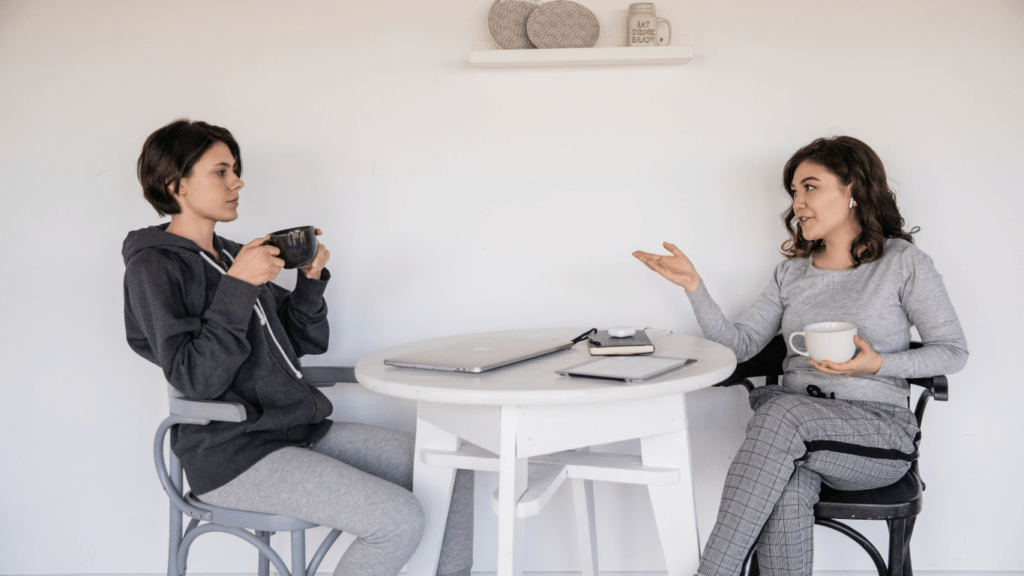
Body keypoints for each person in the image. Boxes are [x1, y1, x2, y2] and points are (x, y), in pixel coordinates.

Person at [123, 119, 473, 576]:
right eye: (221, 172)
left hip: (296, 431)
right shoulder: (154, 267)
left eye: (235, 170)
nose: (237, 182)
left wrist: (308, 283)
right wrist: (237, 287)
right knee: (397, 518)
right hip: (233, 454)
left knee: (455, 470)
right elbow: (194, 378)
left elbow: (301, 341)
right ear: (177, 184)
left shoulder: (233, 254)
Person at [633, 136, 967, 576]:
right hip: (793, 439)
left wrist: (878, 364)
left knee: (780, 415)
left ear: (852, 190)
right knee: (786, 486)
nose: (798, 203)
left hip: (875, 436)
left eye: (811, 187)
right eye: (794, 191)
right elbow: (740, 347)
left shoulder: (902, 263)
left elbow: (953, 352)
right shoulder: (790, 272)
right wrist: (695, 288)